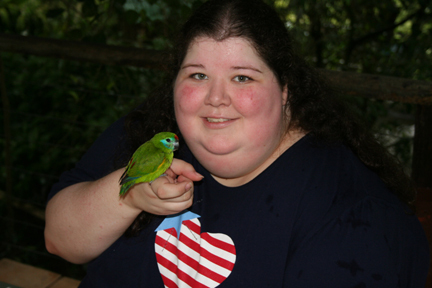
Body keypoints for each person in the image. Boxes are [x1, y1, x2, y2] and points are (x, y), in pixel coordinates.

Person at [44, 0, 430, 287]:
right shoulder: (158, 135)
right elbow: (59, 240)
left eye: (242, 78)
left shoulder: (354, 220)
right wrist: (130, 196)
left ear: (285, 91)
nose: (215, 98)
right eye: (197, 74)